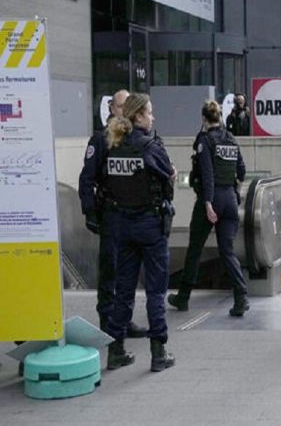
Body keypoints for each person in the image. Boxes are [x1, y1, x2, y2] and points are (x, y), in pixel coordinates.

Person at [104, 93, 177, 372]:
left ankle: (116, 350)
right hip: (150, 226)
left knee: (123, 290)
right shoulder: (149, 147)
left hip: (123, 225)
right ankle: (159, 353)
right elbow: (167, 178)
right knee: (156, 291)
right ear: (137, 116)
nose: (153, 117)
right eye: (149, 113)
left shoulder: (113, 145)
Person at [168, 100, 249, 317]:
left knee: (195, 248)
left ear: (204, 119)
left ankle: (183, 297)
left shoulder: (205, 141)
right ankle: (241, 297)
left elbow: (207, 174)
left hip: (210, 200)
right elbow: (241, 170)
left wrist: (208, 203)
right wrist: (234, 190)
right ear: (220, 117)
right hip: (230, 199)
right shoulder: (231, 139)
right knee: (227, 251)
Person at [78, 89, 147, 338]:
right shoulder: (101, 139)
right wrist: (90, 212)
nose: (125, 112)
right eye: (121, 106)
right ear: (112, 109)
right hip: (111, 214)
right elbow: (87, 178)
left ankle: (124, 320)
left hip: (132, 215)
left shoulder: (135, 139)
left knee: (128, 272)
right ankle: (108, 322)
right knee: (110, 269)